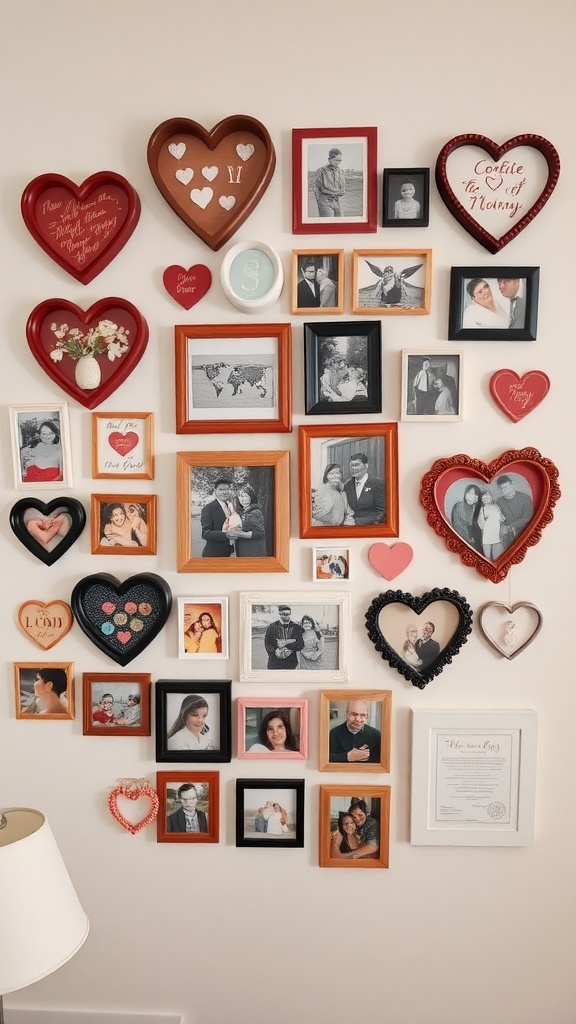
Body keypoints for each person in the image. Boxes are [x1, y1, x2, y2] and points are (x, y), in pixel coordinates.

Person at [343, 453, 385, 526]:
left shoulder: (377, 484)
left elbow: (381, 513)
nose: (353, 468)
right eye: (351, 465)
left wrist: (356, 522)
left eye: (357, 465)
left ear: (366, 466)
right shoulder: (347, 485)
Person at [496, 475, 534, 552]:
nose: (503, 490)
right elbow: (499, 518)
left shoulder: (525, 498)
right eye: (501, 488)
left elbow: (528, 517)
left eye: (505, 487)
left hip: (525, 531)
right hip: (507, 535)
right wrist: (502, 525)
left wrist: (509, 527)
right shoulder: (499, 501)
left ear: (512, 484)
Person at [227, 484, 267, 556]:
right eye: (240, 496)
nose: (243, 499)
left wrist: (239, 533)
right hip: (244, 548)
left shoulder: (255, 512)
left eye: (245, 496)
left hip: (253, 549)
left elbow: (260, 532)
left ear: (251, 497)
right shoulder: (243, 512)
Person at [201, 478, 236, 557]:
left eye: (227, 489)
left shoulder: (230, 506)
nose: (224, 492)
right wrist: (226, 535)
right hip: (213, 554)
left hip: (227, 552)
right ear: (215, 490)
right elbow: (205, 534)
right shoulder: (208, 508)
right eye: (221, 489)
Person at [263, 605, 304, 669]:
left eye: (288, 614)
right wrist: (274, 651)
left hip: (290, 662)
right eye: (284, 614)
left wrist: (288, 646)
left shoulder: (296, 627)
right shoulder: (272, 627)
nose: (286, 616)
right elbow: (267, 643)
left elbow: (300, 644)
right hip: (274, 662)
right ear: (280, 614)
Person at [314, 147, 346, 217]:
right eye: (336, 160)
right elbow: (321, 188)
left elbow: (343, 189)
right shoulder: (322, 171)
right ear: (329, 159)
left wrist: (338, 193)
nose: (338, 163)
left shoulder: (341, 172)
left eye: (340, 161)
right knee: (327, 223)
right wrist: (337, 192)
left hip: (338, 202)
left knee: (340, 223)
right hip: (325, 202)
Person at [450, 484, 483, 552]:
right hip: (465, 540)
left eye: (474, 495)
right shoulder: (458, 506)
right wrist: (470, 540)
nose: (470, 497)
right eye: (468, 493)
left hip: (476, 540)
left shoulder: (477, 507)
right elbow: (459, 526)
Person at [477, 490, 505, 559]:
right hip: (487, 533)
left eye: (487, 498)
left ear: (491, 497)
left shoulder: (496, 506)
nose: (486, 500)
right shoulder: (482, 509)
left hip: (496, 533)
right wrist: (484, 521)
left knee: (497, 556)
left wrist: (501, 519)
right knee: (487, 557)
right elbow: (480, 523)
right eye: (484, 499)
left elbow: (502, 518)